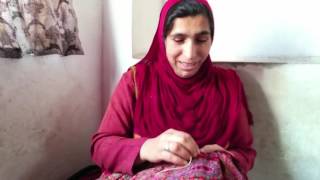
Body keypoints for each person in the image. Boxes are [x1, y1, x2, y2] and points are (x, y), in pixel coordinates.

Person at [91, 0, 256, 179]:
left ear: (211, 39)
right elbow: (101, 147)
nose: (190, 53)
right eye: (179, 39)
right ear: (163, 39)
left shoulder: (227, 85)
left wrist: (222, 158)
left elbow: (245, 152)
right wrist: (146, 148)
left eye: (201, 40)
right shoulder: (136, 80)